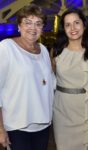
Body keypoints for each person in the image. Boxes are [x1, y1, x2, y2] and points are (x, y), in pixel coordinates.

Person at [0, 4, 55, 150]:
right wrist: (0, 129)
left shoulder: (43, 50)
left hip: (42, 125)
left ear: (42, 28)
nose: (33, 28)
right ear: (19, 26)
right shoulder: (6, 48)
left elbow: (48, 84)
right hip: (17, 127)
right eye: (28, 22)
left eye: (38, 24)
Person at [52, 8, 88, 150]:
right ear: (63, 28)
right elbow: (48, 79)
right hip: (62, 109)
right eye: (68, 24)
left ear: (84, 24)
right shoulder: (56, 51)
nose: (73, 28)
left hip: (86, 108)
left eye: (76, 23)